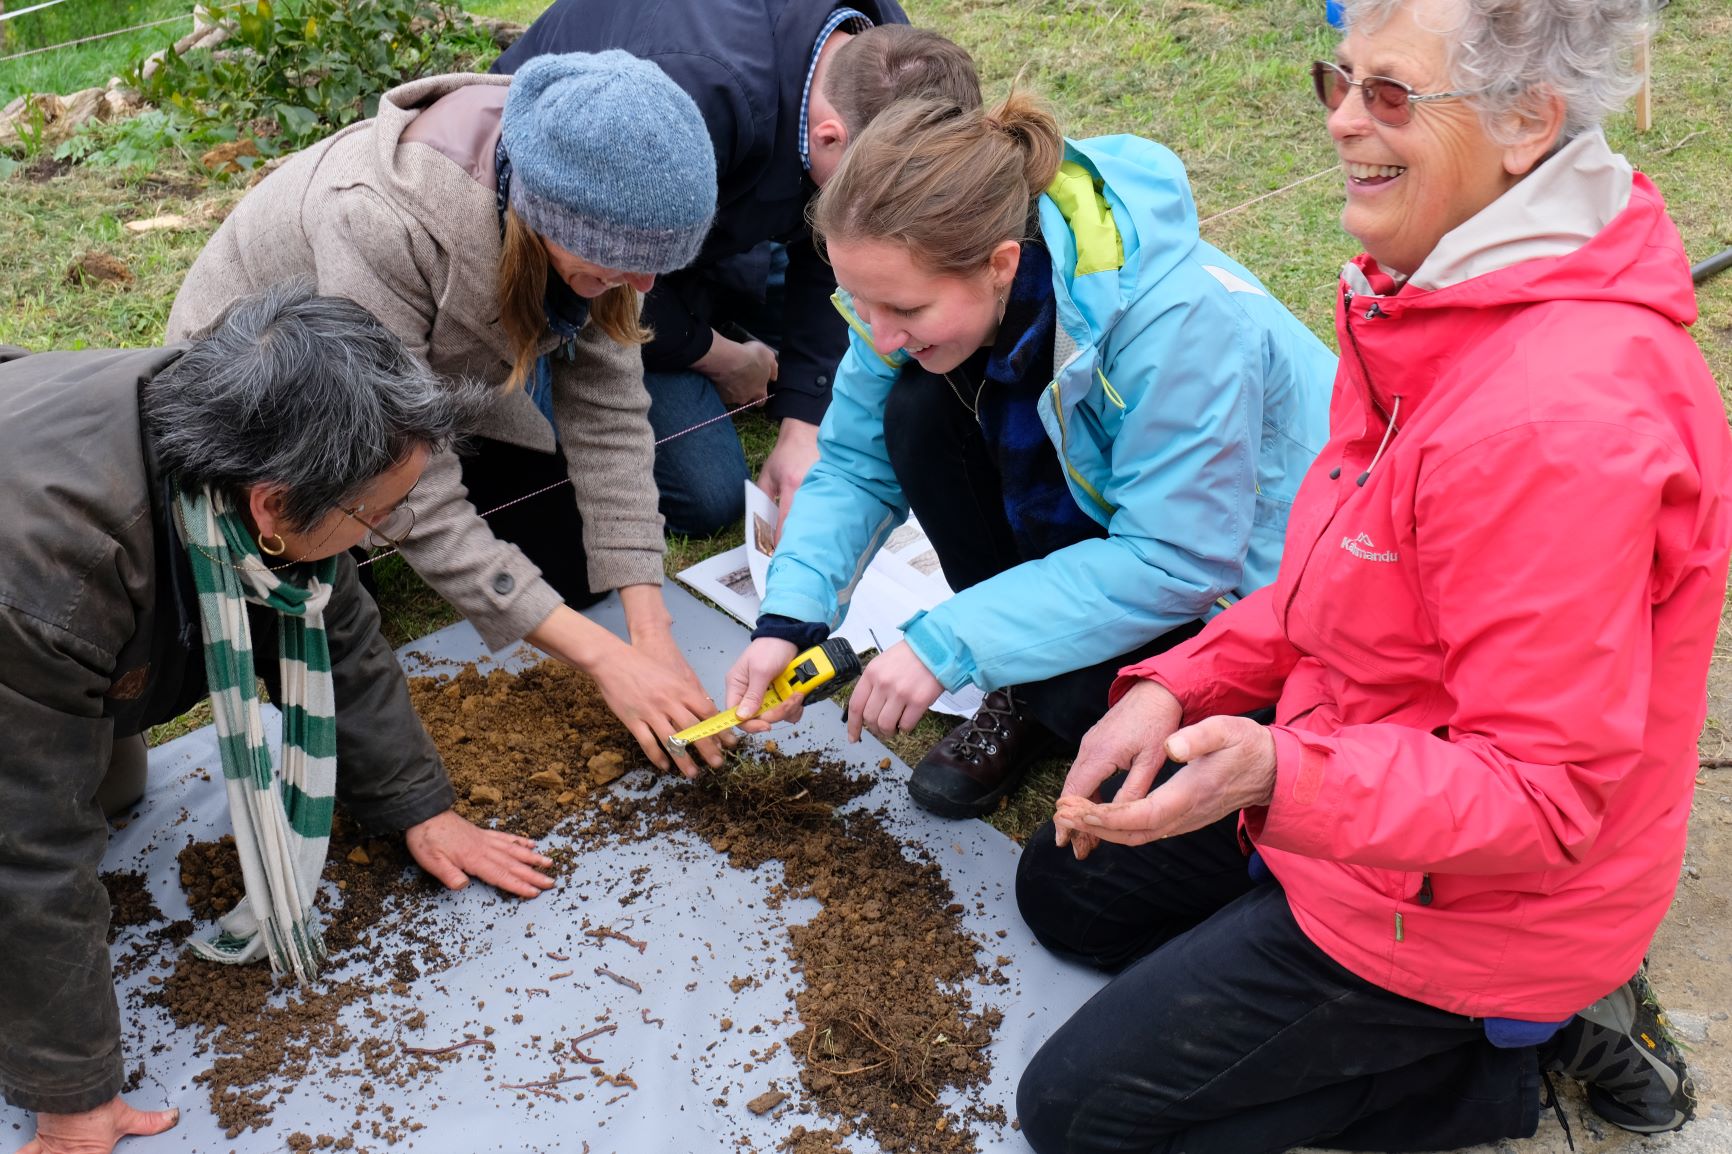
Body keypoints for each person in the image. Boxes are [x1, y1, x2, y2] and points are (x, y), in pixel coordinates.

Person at [1016, 1, 1731, 1150]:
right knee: (1065, 884)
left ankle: (1523, 1050)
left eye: (1389, 95)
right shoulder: (1431, 291)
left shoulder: (1556, 423)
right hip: (1369, 771)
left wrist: (1276, 774)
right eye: (1336, 80)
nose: (1343, 120)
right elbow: (1344, 583)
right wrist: (1178, 684)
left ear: (1526, 120)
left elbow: (1539, 798)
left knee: (1078, 1115)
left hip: (1485, 897)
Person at [0, 285, 557, 1154]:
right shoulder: (49, 586)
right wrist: (73, 1097)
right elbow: (25, 849)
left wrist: (420, 804)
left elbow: (332, 622)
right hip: (19, 598)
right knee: (50, 824)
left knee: (115, 784)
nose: (379, 537)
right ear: (272, 507)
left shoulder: (244, 433)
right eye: (374, 515)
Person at [724, 93, 1336, 818]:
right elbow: (856, 463)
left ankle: (1051, 684)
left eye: (907, 311)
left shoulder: (1179, 325)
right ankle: (1027, 682)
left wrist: (946, 642)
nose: (880, 334)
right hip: (1126, 532)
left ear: (1001, 264)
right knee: (918, 407)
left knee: (1102, 735)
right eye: (861, 302)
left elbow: (1178, 558)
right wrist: (789, 620)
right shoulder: (900, 296)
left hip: (1249, 587)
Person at [168, 52, 730, 776]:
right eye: (617, 263)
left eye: (654, 266)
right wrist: (603, 661)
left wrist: (649, 632)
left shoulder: (599, 212)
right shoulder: (381, 218)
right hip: (273, 414)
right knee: (319, 618)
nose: (643, 283)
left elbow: (609, 411)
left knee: (572, 569)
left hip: (421, 393)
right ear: (542, 214)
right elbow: (403, 470)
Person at [494, 7, 983, 534]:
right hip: (585, 257)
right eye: (871, 202)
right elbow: (604, 277)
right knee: (708, 494)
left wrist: (806, 422)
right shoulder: (688, 98)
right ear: (828, 136)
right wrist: (714, 355)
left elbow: (845, 243)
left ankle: (730, 319)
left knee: (915, 331)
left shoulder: (885, 51)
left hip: (739, 218)